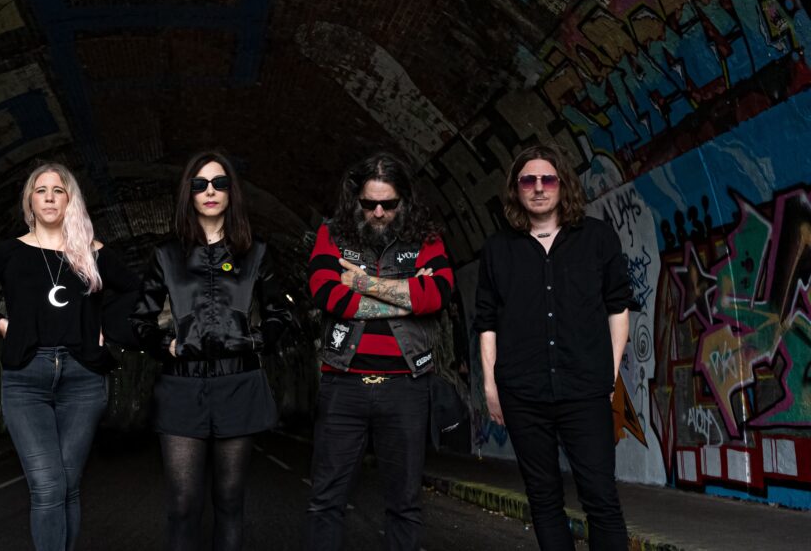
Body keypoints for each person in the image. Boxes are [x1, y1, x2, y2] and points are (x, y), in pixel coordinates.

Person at [0, 162, 140, 551]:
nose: (49, 197)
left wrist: (105, 325)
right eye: (41, 190)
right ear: (30, 202)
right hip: (26, 379)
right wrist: (0, 324)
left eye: (58, 190)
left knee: (67, 485)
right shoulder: (10, 253)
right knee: (49, 484)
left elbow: (137, 290)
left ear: (70, 200)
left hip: (83, 378)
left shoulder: (93, 253)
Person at [474, 144, 632, 551]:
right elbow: (487, 322)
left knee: (601, 497)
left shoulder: (597, 238)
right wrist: (491, 386)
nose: (539, 188)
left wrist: (610, 373)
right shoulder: (497, 249)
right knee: (544, 500)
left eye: (548, 179)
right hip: (522, 392)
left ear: (563, 184)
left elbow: (618, 308)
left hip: (584, 388)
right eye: (529, 180)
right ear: (516, 189)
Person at [131, 151, 292, 551]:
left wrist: (253, 341)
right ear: (188, 192)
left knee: (230, 502)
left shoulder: (256, 253)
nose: (210, 192)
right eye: (200, 184)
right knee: (183, 505)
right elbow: (140, 321)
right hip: (181, 389)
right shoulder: (166, 255)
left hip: (239, 385)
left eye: (219, 183)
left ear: (231, 192)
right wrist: (165, 344)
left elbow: (281, 314)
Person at [304, 151, 454, 551]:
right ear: (355, 199)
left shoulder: (427, 238)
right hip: (343, 384)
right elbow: (325, 293)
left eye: (389, 204)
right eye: (369, 204)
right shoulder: (332, 234)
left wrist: (360, 283)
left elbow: (437, 294)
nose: (379, 213)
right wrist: (407, 296)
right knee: (325, 500)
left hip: (406, 386)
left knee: (405, 504)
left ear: (405, 200)